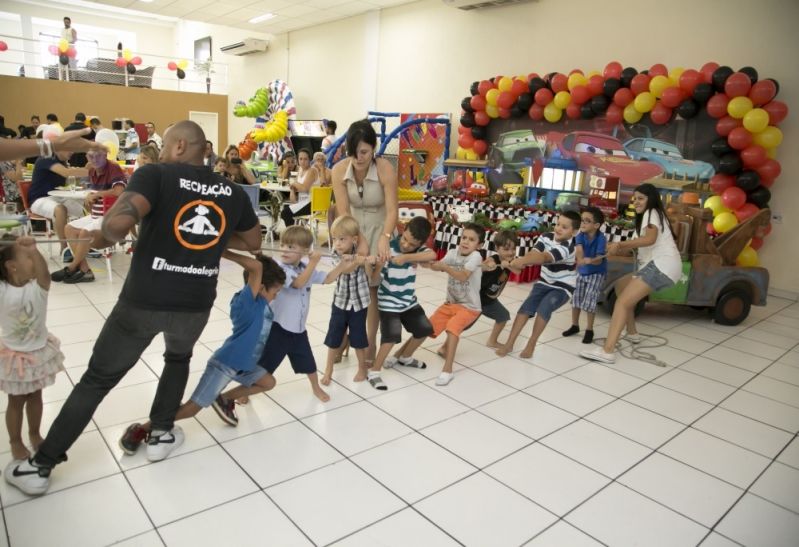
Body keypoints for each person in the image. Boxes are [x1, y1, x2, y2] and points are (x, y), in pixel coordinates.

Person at [5, 121, 262, 497]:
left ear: (176, 146)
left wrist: (105, 230)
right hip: (194, 303)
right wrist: (212, 237)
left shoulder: (155, 174)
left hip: (144, 299)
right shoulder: (231, 191)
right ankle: (160, 434)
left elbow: (119, 223)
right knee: (178, 359)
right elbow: (254, 240)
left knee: (97, 379)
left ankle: (39, 466)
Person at [118, 252, 285, 455]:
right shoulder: (247, 303)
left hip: (245, 364)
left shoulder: (262, 304)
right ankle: (141, 429)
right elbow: (256, 268)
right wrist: (224, 250)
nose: (276, 296)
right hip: (226, 363)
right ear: (259, 287)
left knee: (268, 382)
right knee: (192, 409)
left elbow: (262, 269)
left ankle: (223, 399)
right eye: (274, 291)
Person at [581, 184, 682, 364]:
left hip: (662, 265)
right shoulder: (650, 216)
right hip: (659, 265)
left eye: (641, 198)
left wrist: (620, 245)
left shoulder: (652, 213)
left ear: (651, 199)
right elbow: (643, 244)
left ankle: (607, 351)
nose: (636, 202)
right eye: (635, 198)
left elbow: (649, 239)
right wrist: (616, 248)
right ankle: (633, 333)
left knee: (622, 302)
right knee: (621, 287)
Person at [0, 236, 65, 490]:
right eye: (27, 258)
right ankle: (15, 439)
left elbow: (44, 274)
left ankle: (35, 433)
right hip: (14, 355)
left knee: (36, 396)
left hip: (37, 353)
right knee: (16, 400)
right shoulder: (3, 289)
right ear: (11, 267)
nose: (34, 262)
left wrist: (33, 250)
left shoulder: (38, 287)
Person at [332, 119, 399, 366]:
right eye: (354, 152)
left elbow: (393, 210)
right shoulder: (339, 170)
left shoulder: (384, 168)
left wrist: (385, 238)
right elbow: (343, 212)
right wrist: (355, 243)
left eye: (364, 152)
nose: (359, 158)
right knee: (347, 286)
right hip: (352, 231)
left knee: (371, 291)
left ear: (373, 148)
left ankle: (368, 344)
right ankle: (343, 339)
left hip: (382, 230)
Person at [390, 223, 485, 386]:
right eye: (464, 238)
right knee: (426, 328)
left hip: (470, 307)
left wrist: (445, 267)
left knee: (453, 328)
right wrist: (421, 261)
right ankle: (400, 355)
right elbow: (436, 265)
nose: (466, 242)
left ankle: (448, 371)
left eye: (471, 240)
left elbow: (463, 276)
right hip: (450, 304)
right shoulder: (453, 252)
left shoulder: (475, 256)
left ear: (479, 245)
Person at [259, 225, 330, 402]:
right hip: (279, 329)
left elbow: (327, 278)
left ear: (305, 251)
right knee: (264, 366)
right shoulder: (281, 269)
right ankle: (246, 390)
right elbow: (298, 283)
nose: (284, 250)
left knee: (308, 361)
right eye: (283, 245)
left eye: (291, 247)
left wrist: (347, 264)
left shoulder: (305, 267)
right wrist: (314, 263)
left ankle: (315, 387)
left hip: (298, 329)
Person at [496, 211, 581, 359]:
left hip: (563, 287)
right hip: (544, 282)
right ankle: (509, 343)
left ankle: (532, 344)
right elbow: (534, 253)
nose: (559, 228)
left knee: (544, 308)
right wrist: (524, 260)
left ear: (574, 232)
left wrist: (521, 261)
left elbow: (543, 257)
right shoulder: (546, 236)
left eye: (564, 227)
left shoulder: (568, 247)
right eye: (558, 224)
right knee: (525, 309)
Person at [364, 216, 436, 391]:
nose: (405, 245)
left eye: (411, 244)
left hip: (408, 301)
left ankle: (404, 357)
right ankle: (373, 372)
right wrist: (380, 265)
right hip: (388, 302)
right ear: (403, 231)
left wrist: (406, 258)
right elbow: (374, 279)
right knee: (391, 337)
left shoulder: (418, 251)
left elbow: (432, 255)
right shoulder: (389, 249)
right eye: (404, 239)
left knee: (425, 329)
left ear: (419, 244)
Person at [50, 149, 127, 283]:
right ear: (86, 156)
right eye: (91, 156)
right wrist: (89, 198)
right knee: (69, 228)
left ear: (105, 155)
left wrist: (97, 195)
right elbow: (94, 194)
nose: (94, 159)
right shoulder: (92, 171)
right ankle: (85, 270)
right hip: (97, 214)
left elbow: (119, 191)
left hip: (111, 216)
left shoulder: (113, 168)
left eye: (98, 156)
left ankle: (72, 267)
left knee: (85, 232)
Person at [320, 215, 373, 387]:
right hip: (340, 302)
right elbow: (346, 270)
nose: (338, 243)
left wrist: (367, 262)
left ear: (354, 239)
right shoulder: (336, 254)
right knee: (334, 336)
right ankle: (328, 370)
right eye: (334, 239)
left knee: (359, 337)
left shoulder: (361, 252)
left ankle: (362, 368)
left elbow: (371, 275)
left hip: (359, 303)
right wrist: (356, 262)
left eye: (342, 239)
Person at [28, 149, 89, 261]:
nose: (72, 151)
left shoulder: (63, 162)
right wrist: (93, 170)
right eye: (69, 148)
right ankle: (64, 249)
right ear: (58, 147)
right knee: (60, 210)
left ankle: (86, 244)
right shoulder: (46, 158)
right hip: (38, 199)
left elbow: (68, 177)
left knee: (87, 205)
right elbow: (66, 173)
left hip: (58, 196)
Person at [562, 207, 608, 344]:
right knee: (576, 299)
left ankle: (589, 330)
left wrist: (591, 260)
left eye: (587, 221)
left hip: (597, 273)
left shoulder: (601, 238)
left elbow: (599, 259)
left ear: (596, 225)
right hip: (582, 271)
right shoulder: (580, 235)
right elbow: (579, 250)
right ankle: (575, 326)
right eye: (582, 220)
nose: (583, 223)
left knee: (589, 301)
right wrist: (581, 260)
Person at [478, 230, 522, 349]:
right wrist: (488, 266)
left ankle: (492, 341)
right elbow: (484, 266)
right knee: (464, 324)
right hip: (477, 299)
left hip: (490, 300)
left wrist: (508, 264)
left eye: (513, 249)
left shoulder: (511, 261)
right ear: (497, 248)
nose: (510, 252)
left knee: (503, 316)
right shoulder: (493, 259)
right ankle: (448, 342)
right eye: (506, 249)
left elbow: (518, 271)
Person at [0, 126, 105, 162]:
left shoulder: (58, 158)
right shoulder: (46, 159)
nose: (71, 152)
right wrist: (58, 144)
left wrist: (58, 144)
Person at [281, 148, 318, 227]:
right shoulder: (300, 170)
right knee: (285, 210)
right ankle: (295, 233)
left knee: (285, 213)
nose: (302, 161)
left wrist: (293, 183)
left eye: (305, 159)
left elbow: (304, 188)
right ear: (298, 160)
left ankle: (292, 235)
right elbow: (294, 192)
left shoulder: (312, 170)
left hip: (312, 204)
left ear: (310, 160)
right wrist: (292, 190)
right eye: (300, 159)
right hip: (303, 202)